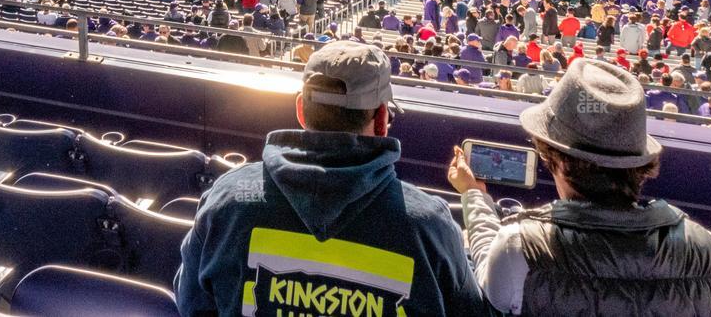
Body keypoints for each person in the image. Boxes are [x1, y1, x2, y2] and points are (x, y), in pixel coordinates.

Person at [176, 42, 485, 317]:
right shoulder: (431, 226)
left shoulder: (226, 201)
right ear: (381, 121)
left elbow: (191, 302)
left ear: (301, 109)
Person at [450, 57, 711, 316]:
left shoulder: (518, 247)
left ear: (555, 157)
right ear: (639, 164)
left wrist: (473, 195)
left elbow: (487, 276)